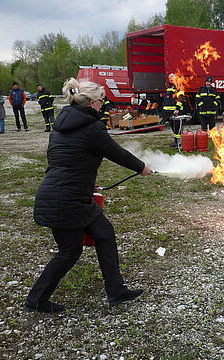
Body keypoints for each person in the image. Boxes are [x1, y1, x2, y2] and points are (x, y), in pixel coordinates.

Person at [25, 77, 152, 313]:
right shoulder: (92, 128)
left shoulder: (60, 126)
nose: (103, 105)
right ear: (92, 103)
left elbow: (63, 161)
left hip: (67, 195)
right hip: (67, 200)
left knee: (104, 233)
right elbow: (117, 153)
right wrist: (141, 167)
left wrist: (86, 181)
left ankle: (116, 291)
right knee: (69, 251)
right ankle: (36, 299)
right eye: (101, 101)